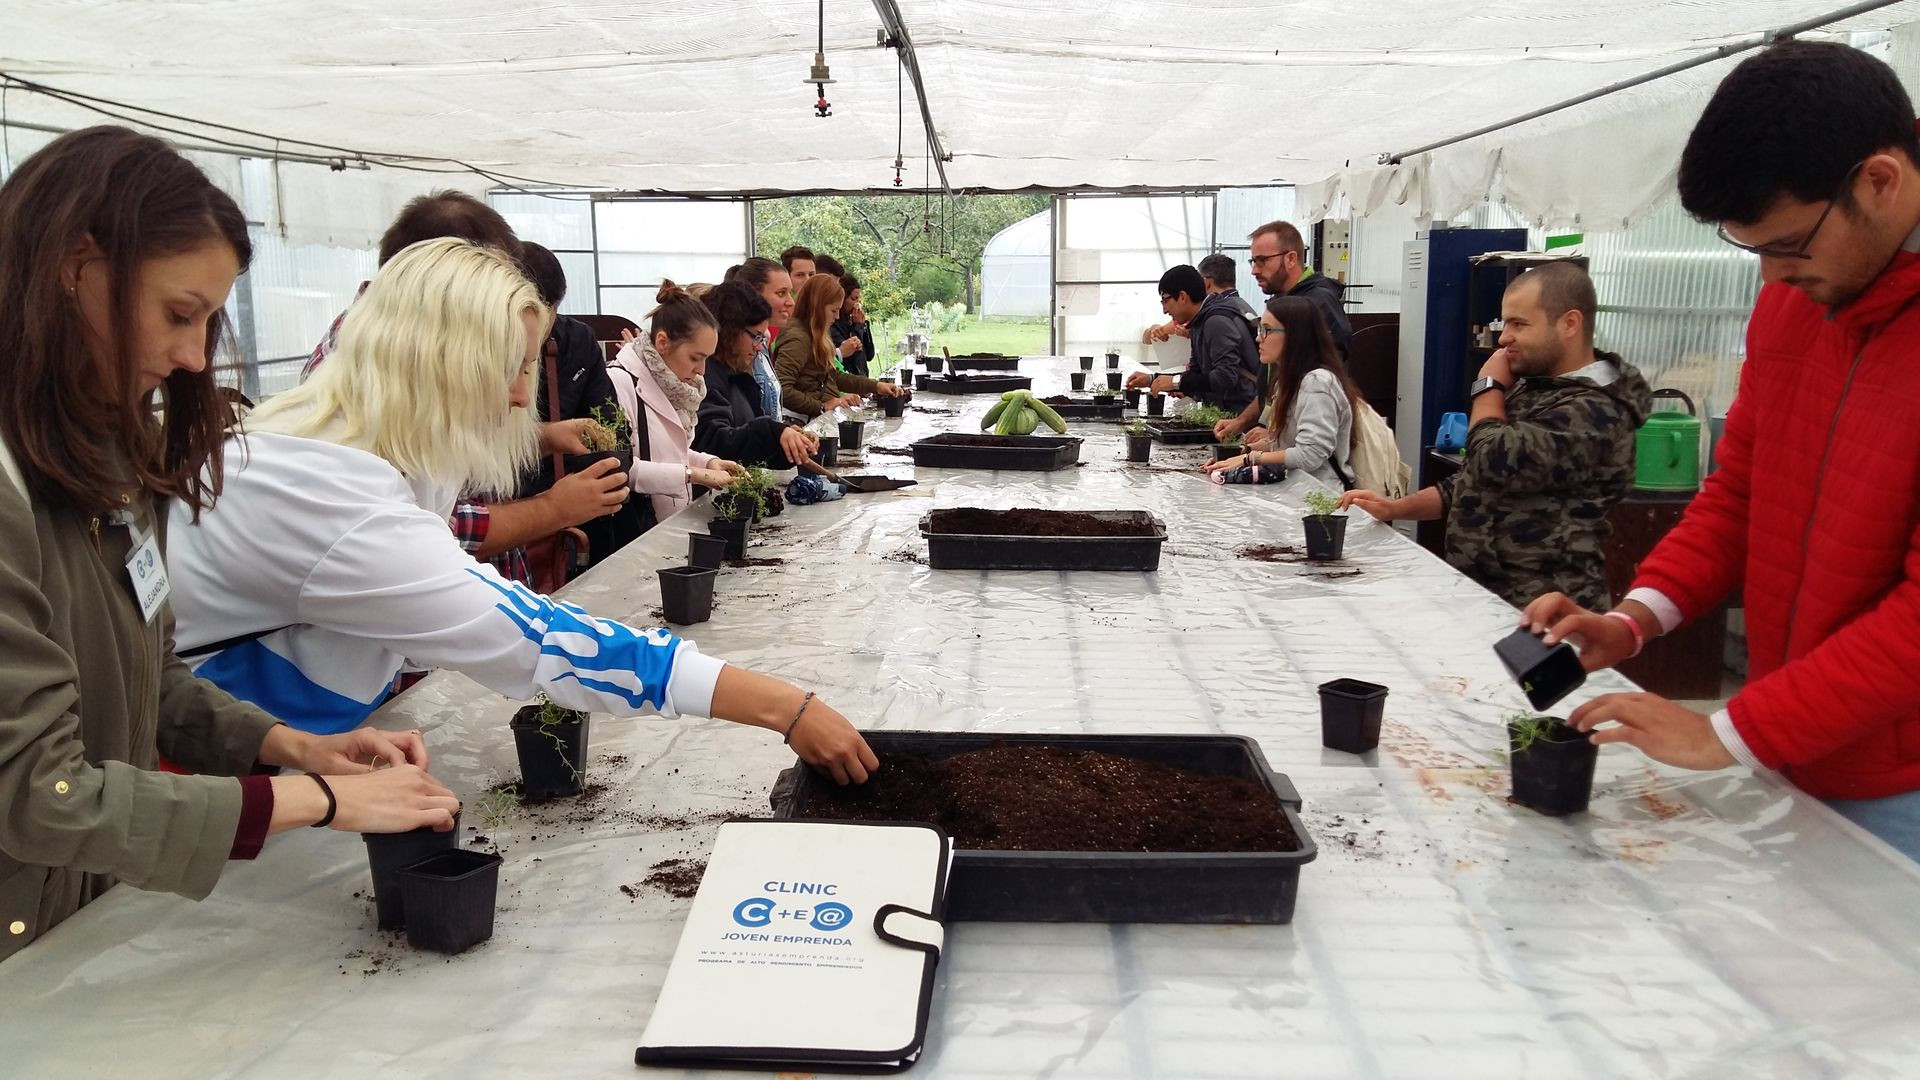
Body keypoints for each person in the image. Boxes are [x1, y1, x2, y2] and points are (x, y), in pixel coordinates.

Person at [166, 238, 879, 787]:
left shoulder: (382, 456)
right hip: (216, 789)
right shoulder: (320, 490)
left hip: (294, 762)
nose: (519, 397)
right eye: (510, 366)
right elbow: (538, 640)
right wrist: (784, 707)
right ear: (437, 362)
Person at [0, 127, 458, 962]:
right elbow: (39, 794)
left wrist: (290, 747)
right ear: (73, 267)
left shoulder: (101, 456)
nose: (188, 357)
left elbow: (154, 678)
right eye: (180, 314)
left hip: (70, 914)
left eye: (207, 322)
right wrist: (317, 800)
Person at [1522, 41, 1920, 858]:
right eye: (1753, 251)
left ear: (1879, 181)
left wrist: (1728, 731)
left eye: (1787, 245)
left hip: (1899, 784)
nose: (1771, 278)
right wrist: (1634, 621)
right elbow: (1740, 495)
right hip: (1796, 739)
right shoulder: (1796, 305)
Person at [305, 197, 624, 586]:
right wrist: (553, 509)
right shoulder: (368, 369)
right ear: (441, 276)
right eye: (491, 284)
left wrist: (540, 438)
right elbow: (432, 529)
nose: (522, 395)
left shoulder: (411, 353)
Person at [1338, 261, 1650, 610]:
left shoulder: (1596, 409)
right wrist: (1394, 508)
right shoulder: (1537, 388)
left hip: (1546, 608)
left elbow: (1491, 460)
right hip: (1489, 598)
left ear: (1570, 324)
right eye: (1505, 323)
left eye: (1519, 324)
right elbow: (1472, 483)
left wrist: (1487, 385)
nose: (1503, 338)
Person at [608, 282, 750, 526]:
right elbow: (621, 468)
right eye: (696, 357)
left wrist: (707, 462)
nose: (701, 370)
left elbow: (669, 452)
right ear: (663, 342)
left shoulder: (673, 385)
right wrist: (692, 474)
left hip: (668, 523)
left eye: (707, 358)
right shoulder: (619, 381)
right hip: (636, 529)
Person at [1205, 296, 1359, 489]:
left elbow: (1310, 455)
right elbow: (1286, 445)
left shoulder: (1317, 383)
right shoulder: (1289, 379)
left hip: (1321, 498)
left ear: (1295, 335)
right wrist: (1235, 455)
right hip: (1295, 489)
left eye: (1267, 330)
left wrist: (1249, 459)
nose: (1258, 337)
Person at [693, 282, 820, 469]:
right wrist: (772, 432)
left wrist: (787, 442)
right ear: (730, 330)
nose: (759, 347)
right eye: (756, 336)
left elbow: (753, 449)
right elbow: (714, 443)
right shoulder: (703, 376)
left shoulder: (738, 376)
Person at [1127, 265, 1258, 413]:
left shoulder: (1216, 321)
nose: (1164, 310)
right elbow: (1196, 375)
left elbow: (1226, 377)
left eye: (1165, 300)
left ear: (1182, 296)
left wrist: (1176, 383)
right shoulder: (1198, 322)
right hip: (1226, 415)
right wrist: (1153, 379)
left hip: (1243, 418)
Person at [774, 274, 902, 418]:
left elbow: (833, 375)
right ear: (817, 308)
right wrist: (821, 406)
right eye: (833, 311)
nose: (837, 317)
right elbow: (781, 388)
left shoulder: (813, 334)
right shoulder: (797, 338)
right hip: (800, 420)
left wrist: (876, 386)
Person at [1248, 220, 1352, 359]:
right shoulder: (1280, 299)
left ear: (1291, 259)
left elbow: (1329, 364)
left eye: (1262, 260)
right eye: (1253, 261)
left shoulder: (1319, 303)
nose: (1254, 271)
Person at [724, 257, 793, 419]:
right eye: (781, 293)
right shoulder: (736, 352)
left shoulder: (762, 345)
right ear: (753, 295)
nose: (791, 302)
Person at [1147, 252, 1255, 342]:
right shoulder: (1241, 307)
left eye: (1166, 300)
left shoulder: (1216, 317)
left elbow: (1224, 367)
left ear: (1205, 283)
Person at [830, 272, 876, 377]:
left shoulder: (852, 321)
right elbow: (853, 356)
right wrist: (858, 327)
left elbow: (869, 354)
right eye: (853, 299)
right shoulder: (833, 326)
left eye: (858, 299)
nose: (857, 304)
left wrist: (864, 326)